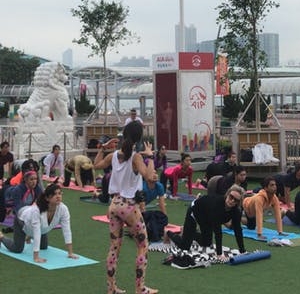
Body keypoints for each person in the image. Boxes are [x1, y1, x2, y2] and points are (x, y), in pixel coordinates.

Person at [93, 121, 158, 294]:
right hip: (129, 207)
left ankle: (111, 288)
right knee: (143, 245)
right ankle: (140, 288)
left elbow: (96, 164)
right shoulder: (136, 158)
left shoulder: (114, 155)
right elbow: (149, 176)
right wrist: (150, 156)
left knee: (114, 247)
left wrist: (103, 148)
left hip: (114, 205)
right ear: (139, 138)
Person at [170, 185, 246, 260]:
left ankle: (189, 232)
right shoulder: (217, 205)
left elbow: (238, 230)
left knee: (206, 243)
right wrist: (219, 254)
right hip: (195, 211)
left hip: (207, 218)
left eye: (236, 200)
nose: (232, 200)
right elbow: (218, 232)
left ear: (238, 202)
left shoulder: (236, 211)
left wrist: (243, 251)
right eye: (231, 197)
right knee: (185, 246)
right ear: (227, 194)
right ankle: (169, 233)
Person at [140, 172, 169, 242]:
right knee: (150, 217)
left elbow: (162, 205)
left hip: (140, 209)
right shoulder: (142, 187)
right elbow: (142, 208)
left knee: (159, 217)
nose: (155, 175)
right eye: (152, 173)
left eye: (156, 173)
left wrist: (164, 218)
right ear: (146, 177)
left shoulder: (159, 186)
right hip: (131, 208)